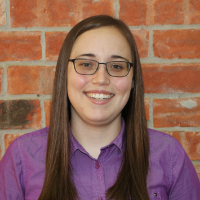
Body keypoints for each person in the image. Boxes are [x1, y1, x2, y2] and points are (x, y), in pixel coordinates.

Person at [0, 15, 199, 200]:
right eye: (86, 64)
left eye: (116, 66)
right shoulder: (21, 158)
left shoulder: (169, 156)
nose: (101, 79)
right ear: (64, 74)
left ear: (132, 80)